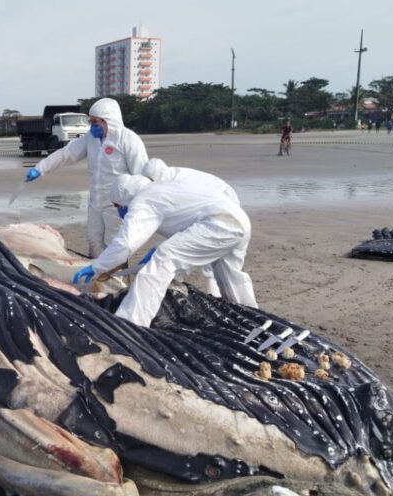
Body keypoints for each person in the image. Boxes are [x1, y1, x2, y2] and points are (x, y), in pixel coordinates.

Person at [72, 173, 257, 328]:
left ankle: (131, 323)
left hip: (219, 223)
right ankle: (252, 319)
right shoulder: (162, 187)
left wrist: (97, 266)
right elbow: (187, 221)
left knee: (163, 260)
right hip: (239, 219)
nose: (119, 211)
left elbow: (127, 243)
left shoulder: (143, 199)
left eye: (118, 206)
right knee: (230, 276)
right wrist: (156, 247)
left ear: (123, 198)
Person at [23, 98, 148, 257]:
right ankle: (96, 277)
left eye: (96, 122)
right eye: (91, 122)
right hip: (96, 202)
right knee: (93, 240)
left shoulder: (128, 140)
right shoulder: (90, 138)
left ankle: (117, 280)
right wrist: (40, 169)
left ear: (108, 121)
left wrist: (134, 205)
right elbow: (66, 154)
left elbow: (142, 176)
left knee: (115, 245)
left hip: (117, 205)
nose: (92, 126)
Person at [142, 158, 240, 298]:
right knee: (198, 252)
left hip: (223, 207)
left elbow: (184, 223)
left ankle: (223, 299)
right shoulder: (169, 178)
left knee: (217, 261)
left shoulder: (172, 183)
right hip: (215, 206)